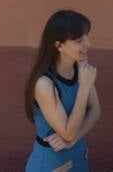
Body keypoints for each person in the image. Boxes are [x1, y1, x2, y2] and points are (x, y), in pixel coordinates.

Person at [24, 9, 100, 172]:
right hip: (51, 164)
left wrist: (74, 140)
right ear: (59, 45)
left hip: (79, 157)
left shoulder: (80, 67)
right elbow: (67, 133)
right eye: (79, 40)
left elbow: (95, 110)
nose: (88, 44)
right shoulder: (44, 84)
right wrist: (84, 88)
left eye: (87, 36)